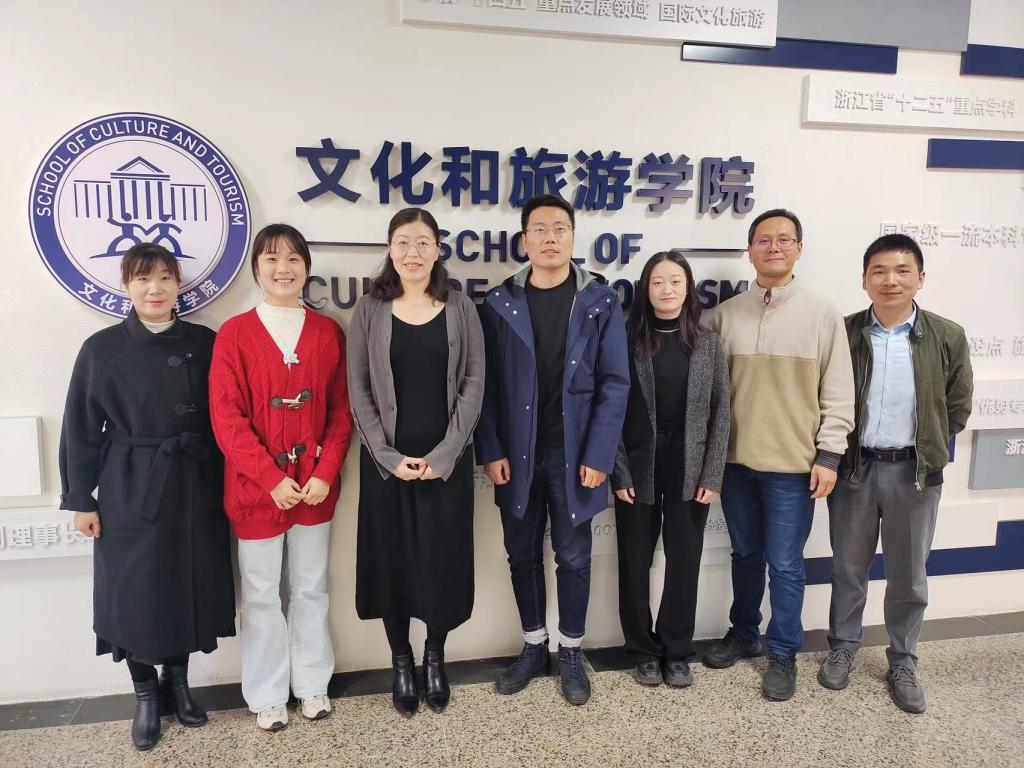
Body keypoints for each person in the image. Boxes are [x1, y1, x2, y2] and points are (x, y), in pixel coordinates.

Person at [59, 243, 235, 751]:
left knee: (186, 584)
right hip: (129, 484)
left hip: (195, 482)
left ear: (179, 284)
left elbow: (227, 413)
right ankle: (145, 694)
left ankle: (178, 684)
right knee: (135, 591)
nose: (154, 289)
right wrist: (80, 498)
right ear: (127, 286)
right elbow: (80, 427)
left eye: (164, 278)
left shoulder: (206, 342)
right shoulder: (101, 348)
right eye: (142, 279)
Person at [475, 193, 630, 706]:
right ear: (524, 240)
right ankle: (533, 645)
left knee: (574, 556)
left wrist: (599, 455)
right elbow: (486, 385)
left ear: (572, 236)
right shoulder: (499, 303)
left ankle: (570, 651)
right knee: (520, 553)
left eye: (559, 228)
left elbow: (615, 384)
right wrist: (490, 448)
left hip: (575, 452)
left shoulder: (600, 301)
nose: (550, 238)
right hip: (516, 452)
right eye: (539, 229)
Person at [702, 208, 855, 702]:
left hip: (793, 467)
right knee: (745, 554)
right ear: (749, 250)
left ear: (799, 249)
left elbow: (839, 390)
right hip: (736, 463)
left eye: (784, 240)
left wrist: (829, 454)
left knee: (786, 564)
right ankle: (744, 633)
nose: (774, 247)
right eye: (764, 240)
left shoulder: (822, 314)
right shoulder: (723, 316)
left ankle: (784, 650)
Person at [818, 234, 972, 714]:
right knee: (848, 568)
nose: (891, 280)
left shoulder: (946, 336)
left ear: (920, 278)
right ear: (864, 279)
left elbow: (957, 407)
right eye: (879, 271)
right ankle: (843, 646)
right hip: (855, 469)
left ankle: (903, 660)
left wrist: (925, 447)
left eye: (902, 270)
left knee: (908, 575)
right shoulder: (844, 332)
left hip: (914, 475)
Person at [209, 224, 352, 731]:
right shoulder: (234, 334)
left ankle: (312, 683)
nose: (283, 268)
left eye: (293, 258)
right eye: (271, 259)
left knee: (312, 587)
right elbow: (226, 418)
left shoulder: (328, 332)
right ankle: (268, 693)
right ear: (256, 269)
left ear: (307, 268)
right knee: (260, 592)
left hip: (314, 488)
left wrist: (325, 472)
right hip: (256, 489)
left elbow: (341, 413)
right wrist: (270, 478)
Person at [347, 207, 484, 718]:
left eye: (423, 242)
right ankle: (401, 661)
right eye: (403, 242)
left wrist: (444, 455)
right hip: (387, 467)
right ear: (390, 249)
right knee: (393, 563)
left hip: (445, 465)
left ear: (438, 250)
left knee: (440, 562)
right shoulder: (369, 309)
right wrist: (387, 456)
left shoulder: (460, 306)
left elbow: (474, 383)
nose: (413, 252)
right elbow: (358, 388)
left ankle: (434, 657)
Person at [611, 250, 730, 688]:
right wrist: (619, 472)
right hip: (637, 460)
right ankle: (643, 650)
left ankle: (677, 650)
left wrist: (712, 474)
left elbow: (721, 412)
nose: (667, 289)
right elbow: (609, 410)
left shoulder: (708, 342)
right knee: (633, 560)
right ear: (646, 288)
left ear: (688, 288)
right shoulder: (625, 340)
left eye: (675, 281)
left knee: (684, 559)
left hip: (690, 463)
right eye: (658, 281)